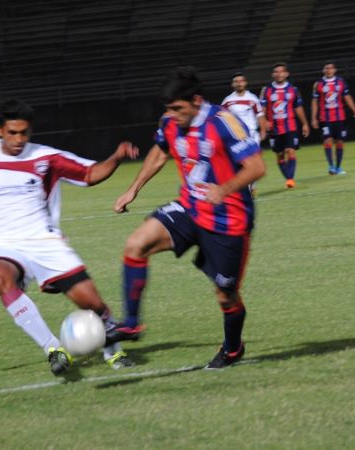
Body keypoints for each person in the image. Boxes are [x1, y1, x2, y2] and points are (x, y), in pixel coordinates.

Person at [0, 99, 139, 376]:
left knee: (91, 302)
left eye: (24, 132)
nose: (19, 139)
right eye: (12, 132)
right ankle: (53, 349)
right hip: (1, 243)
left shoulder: (45, 157)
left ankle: (112, 349)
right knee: (0, 277)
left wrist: (116, 157)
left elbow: (89, 174)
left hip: (43, 240)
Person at [105, 66, 265, 369]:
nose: (173, 115)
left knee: (226, 295)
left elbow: (256, 167)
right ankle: (132, 323)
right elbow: (159, 152)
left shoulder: (224, 123)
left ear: (196, 101)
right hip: (190, 209)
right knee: (136, 245)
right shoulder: (170, 121)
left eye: (179, 109)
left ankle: (233, 349)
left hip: (228, 221)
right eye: (169, 109)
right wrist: (133, 190)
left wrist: (225, 188)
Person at [259, 62, 310, 188]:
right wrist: (264, 122)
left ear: (286, 74)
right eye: (276, 71)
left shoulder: (293, 89)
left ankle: (290, 179)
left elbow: (298, 108)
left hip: (290, 126)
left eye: (281, 71)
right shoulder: (267, 90)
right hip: (274, 128)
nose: (279, 74)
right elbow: (262, 109)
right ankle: (289, 177)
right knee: (280, 154)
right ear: (272, 74)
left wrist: (305, 123)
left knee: (290, 151)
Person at [311, 61, 355, 175]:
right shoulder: (318, 84)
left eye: (331, 68)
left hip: (339, 117)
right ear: (323, 71)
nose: (328, 70)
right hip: (325, 118)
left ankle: (338, 167)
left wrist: (354, 110)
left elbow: (347, 96)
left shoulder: (341, 82)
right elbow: (314, 102)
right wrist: (313, 118)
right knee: (327, 140)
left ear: (335, 70)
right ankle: (331, 166)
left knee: (339, 142)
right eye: (326, 68)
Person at [222, 72, 268, 195]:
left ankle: (251, 187)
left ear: (245, 83)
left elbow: (260, 115)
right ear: (233, 84)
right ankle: (246, 189)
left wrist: (263, 130)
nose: (239, 83)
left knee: (254, 162)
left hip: (252, 135)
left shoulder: (252, 98)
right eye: (236, 81)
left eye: (241, 81)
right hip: (237, 136)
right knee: (241, 164)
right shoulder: (228, 101)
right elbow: (222, 118)